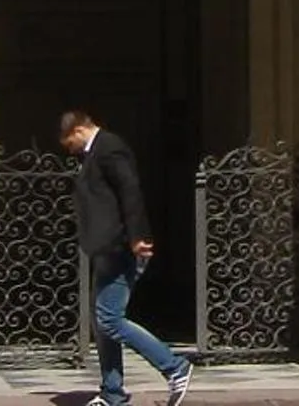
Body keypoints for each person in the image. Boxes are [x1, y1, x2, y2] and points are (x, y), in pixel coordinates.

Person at [59, 110, 193, 406]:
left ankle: (174, 367)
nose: (70, 150)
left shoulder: (109, 148)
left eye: (69, 142)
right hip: (107, 248)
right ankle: (112, 392)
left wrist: (136, 237)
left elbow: (130, 190)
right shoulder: (96, 153)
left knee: (109, 319)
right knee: (101, 318)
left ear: (80, 129)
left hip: (121, 247)